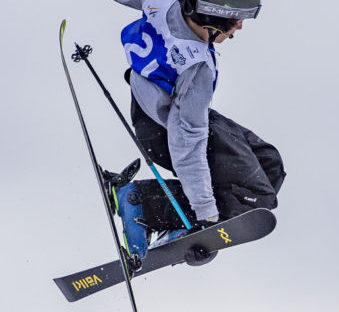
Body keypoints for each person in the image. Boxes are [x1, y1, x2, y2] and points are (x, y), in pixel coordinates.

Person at [106, 0, 286, 262]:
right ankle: (144, 204)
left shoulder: (164, 3)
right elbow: (187, 143)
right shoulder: (196, 67)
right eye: (235, 20)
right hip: (167, 131)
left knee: (269, 163)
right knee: (256, 200)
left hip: (158, 113)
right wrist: (207, 217)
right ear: (212, 18)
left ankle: (177, 212)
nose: (240, 27)